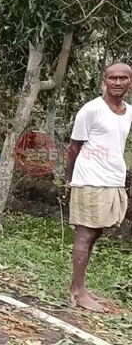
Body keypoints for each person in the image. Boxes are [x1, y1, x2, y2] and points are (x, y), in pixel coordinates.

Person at [65, 62, 132, 312]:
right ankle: (79, 293)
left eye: (122, 78)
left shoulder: (129, 112)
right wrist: (69, 180)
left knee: (96, 233)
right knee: (86, 233)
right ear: (104, 80)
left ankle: (76, 286)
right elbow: (73, 148)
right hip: (90, 179)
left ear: (129, 82)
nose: (117, 82)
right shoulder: (91, 110)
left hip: (113, 180)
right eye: (112, 77)